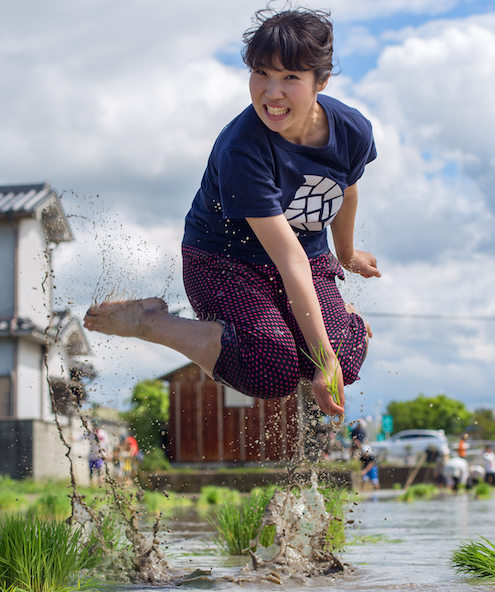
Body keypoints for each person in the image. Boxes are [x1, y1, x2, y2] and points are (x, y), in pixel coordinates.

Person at [83, 8, 379, 418]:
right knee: (271, 370)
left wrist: (346, 255)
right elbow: (287, 257)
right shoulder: (244, 148)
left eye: (290, 78)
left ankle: (333, 328)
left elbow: (346, 189)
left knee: (341, 364)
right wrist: (322, 351)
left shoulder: (351, 130)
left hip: (306, 260)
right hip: (224, 263)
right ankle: (150, 320)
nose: (271, 92)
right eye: (261, 73)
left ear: (321, 81)